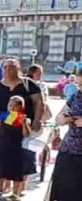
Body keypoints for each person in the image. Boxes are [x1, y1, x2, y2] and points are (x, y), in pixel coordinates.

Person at [0, 58, 45, 198]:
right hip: (2, 129)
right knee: (3, 159)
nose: (8, 70)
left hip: (23, 127)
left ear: (18, 69)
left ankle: (18, 189)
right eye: (6, 67)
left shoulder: (29, 84)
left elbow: (39, 102)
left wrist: (37, 120)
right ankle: (3, 188)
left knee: (23, 160)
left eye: (12, 67)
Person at [48, 66, 82, 200]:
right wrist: (62, 118)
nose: (80, 88)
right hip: (70, 149)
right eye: (79, 84)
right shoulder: (76, 96)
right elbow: (59, 115)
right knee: (65, 190)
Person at [0, 95, 32, 199]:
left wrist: (24, 124)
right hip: (2, 145)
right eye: (10, 105)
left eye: (15, 106)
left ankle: (15, 193)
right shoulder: (4, 116)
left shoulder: (23, 118)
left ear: (20, 107)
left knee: (16, 171)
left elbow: (27, 134)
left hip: (15, 147)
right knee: (0, 169)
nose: (12, 108)